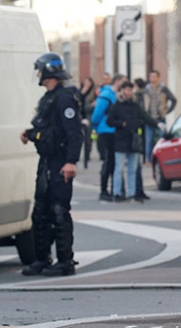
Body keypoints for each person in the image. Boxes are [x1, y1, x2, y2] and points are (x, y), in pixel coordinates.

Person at [20, 52, 83, 276]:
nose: (37, 74)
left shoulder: (65, 98)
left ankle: (65, 261)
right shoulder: (47, 98)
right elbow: (47, 128)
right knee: (40, 212)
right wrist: (30, 133)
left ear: (48, 71)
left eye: (40, 69)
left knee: (59, 210)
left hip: (59, 160)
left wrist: (71, 162)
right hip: (45, 161)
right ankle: (41, 259)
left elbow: (75, 133)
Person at [106, 80, 163, 202]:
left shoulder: (135, 106)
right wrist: (121, 123)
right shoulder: (116, 106)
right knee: (119, 168)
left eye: (131, 90)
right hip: (121, 140)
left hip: (134, 141)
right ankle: (117, 192)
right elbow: (109, 121)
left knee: (133, 169)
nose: (129, 92)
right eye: (127, 90)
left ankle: (132, 193)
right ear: (122, 90)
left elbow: (145, 117)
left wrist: (157, 124)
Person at [91, 73, 126, 202]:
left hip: (114, 131)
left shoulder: (115, 96)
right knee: (109, 161)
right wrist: (96, 127)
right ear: (117, 82)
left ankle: (115, 189)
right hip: (106, 131)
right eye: (123, 82)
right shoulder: (106, 96)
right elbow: (96, 115)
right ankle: (104, 189)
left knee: (115, 161)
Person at [141, 70, 177, 163]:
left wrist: (167, 111)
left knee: (162, 139)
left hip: (160, 117)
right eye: (151, 76)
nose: (152, 78)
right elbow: (142, 102)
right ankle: (149, 160)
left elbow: (173, 100)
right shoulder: (146, 89)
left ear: (158, 77)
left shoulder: (163, 88)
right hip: (149, 118)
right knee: (149, 140)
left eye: (154, 76)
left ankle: (162, 158)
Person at [78, 76, 96, 168]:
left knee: (89, 137)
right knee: (81, 137)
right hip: (81, 115)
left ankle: (87, 155)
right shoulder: (81, 91)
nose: (86, 84)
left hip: (89, 117)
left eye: (88, 82)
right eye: (85, 82)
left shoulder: (94, 92)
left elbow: (94, 104)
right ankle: (84, 155)